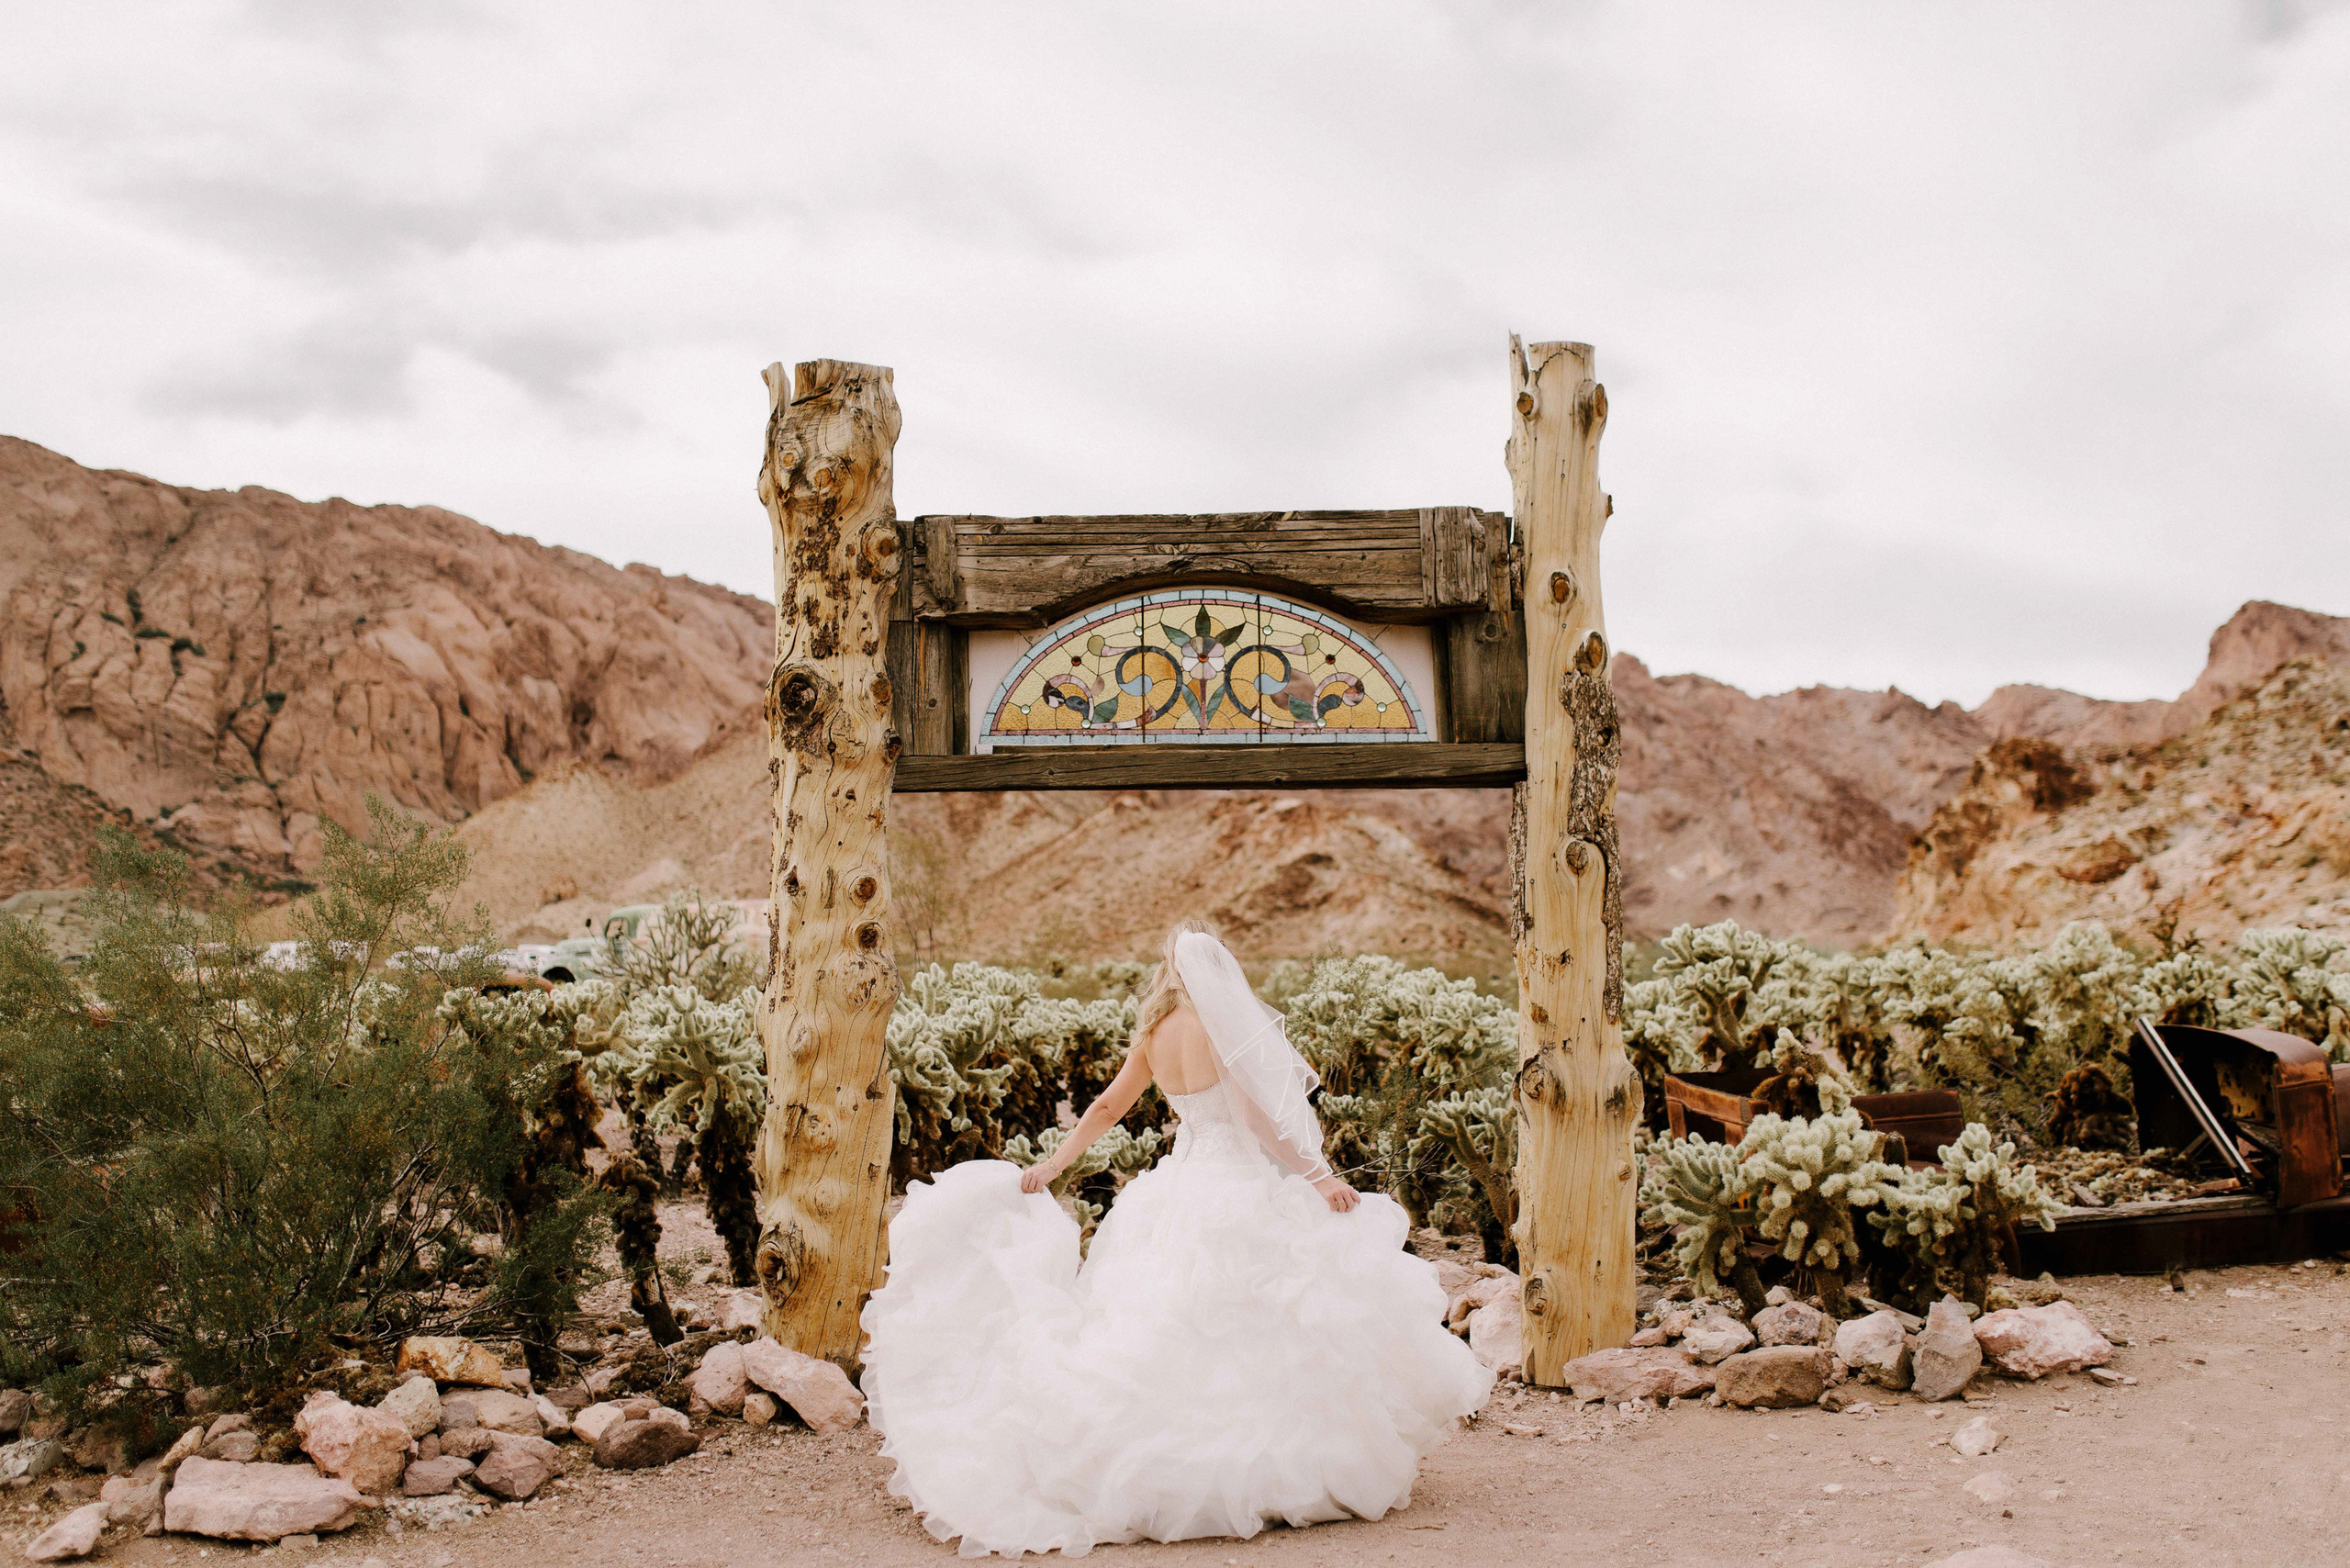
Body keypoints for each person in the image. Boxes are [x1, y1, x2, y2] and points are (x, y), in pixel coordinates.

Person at [859, 919, 1494, 1558]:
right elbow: (1254, 1117)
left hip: (1176, 1186)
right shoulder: (1223, 1030)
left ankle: (1155, 1462)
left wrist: (1055, 1165)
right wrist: (1321, 1176)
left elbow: (1108, 1107)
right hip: (1238, 1185)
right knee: (1259, 1323)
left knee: (1159, 1321)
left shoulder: (1154, 1033)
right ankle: (1266, 1462)